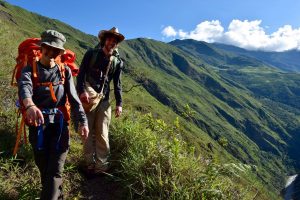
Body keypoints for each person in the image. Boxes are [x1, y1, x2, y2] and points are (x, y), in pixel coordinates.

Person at [18, 30, 89, 200]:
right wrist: (30, 106)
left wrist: (83, 121)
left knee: (55, 169)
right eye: (48, 48)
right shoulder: (28, 71)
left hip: (59, 127)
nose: (51, 53)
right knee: (44, 168)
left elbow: (74, 99)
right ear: (41, 48)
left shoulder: (64, 72)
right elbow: (24, 89)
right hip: (38, 126)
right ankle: (58, 195)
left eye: (55, 50)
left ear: (59, 53)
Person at [76, 27, 124, 174]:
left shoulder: (117, 62)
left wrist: (119, 104)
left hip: (104, 100)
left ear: (116, 44)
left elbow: (117, 84)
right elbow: (81, 74)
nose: (111, 42)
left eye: (114, 41)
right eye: (109, 39)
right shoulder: (91, 54)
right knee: (87, 131)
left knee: (103, 133)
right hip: (88, 98)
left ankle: (101, 166)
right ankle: (89, 164)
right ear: (104, 40)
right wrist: (82, 91)